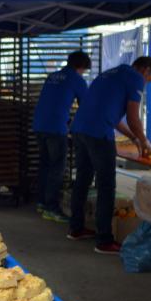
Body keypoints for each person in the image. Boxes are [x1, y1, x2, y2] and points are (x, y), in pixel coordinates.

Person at [69, 56, 151, 254]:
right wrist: (144, 142)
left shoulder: (110, 74)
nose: (145, 83)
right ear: (145, 71)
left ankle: (76, 229)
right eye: (149, 80)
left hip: (80, 129)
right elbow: (133, 118)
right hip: (98, 134)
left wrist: (133, 138)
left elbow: (112, 116)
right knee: (106, 186)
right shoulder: (136, 78)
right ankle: (104, 240)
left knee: (82, 180)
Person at [32, 51, 91, 223]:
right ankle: (51, 208)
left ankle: (41, 202)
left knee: (45, 164)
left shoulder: (53, 76)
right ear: (81, 67)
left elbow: (53, 101)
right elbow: (86, 107)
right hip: (55, 128)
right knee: (57, 168)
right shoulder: (77, 79)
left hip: (39, 125)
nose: (83, 73)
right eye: (84, 70)